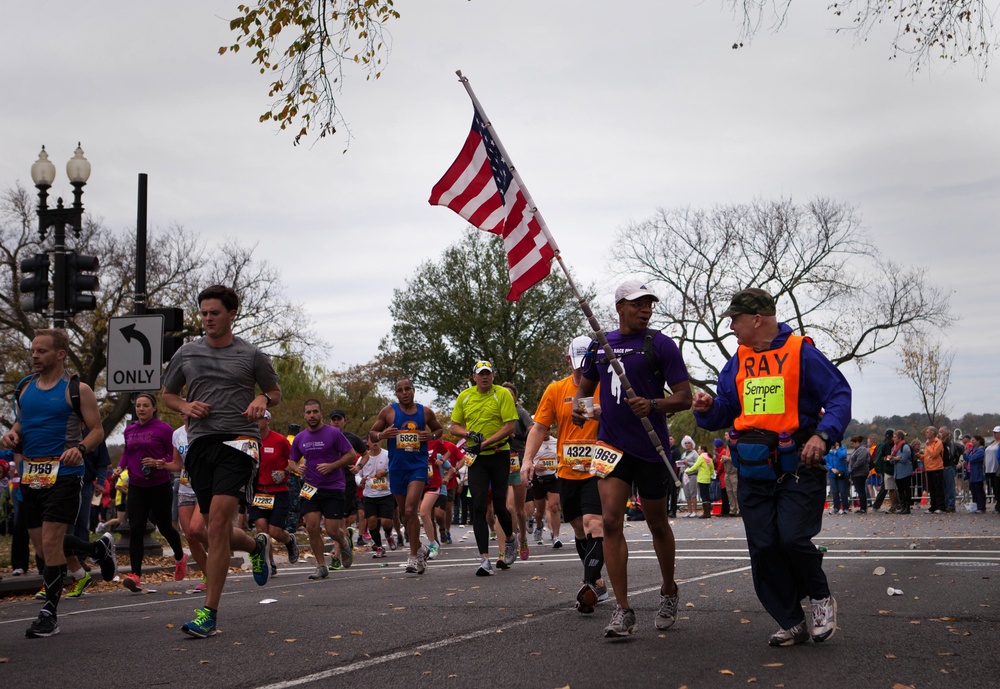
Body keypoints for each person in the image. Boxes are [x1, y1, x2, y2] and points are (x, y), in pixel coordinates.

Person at [693, 287, 851, 647]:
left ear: (757, 319)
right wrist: (705, 409)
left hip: (798, 464)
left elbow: (839, 395)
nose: (730, 326)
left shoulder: (802, 353)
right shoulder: (737, 361)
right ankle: (791, 620)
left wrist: (823, 435)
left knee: (793, 537)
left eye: (734, 319)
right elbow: (726, 410)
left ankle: (821, 597)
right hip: (753, 470)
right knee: (763, 547)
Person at [573, 281, 693, 637]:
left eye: (649, 304)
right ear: (619, 307)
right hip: (610, 445)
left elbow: (685, 397)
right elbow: (583, 392)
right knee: (610, 520)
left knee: (657, 522)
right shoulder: (600, 345)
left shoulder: (660, 344)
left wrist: (653, 404)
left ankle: (669, 589)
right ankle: (623, 610)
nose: (646, 309)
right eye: (638, 303)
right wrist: (581, 412)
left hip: (651, 447)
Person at [162, 284, 282, 638]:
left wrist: (262, 398)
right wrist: (184, 406)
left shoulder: (252, 355)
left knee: (214, 526)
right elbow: (167, 394)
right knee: (201, 529)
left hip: (241, 442)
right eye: (203, 313)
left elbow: (275, 391)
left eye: (214, 313)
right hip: (200, 444)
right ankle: (255, 543)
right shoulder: (187, 354)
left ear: (232, 314)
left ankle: (209, 614)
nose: (208, 319)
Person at [2, 329, 110, 638]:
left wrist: (80, 449)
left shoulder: (78, 390)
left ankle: (49, 613)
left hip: (64, 474)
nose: (34, 355)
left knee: (50, 542)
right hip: (31, 475)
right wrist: (11, 435)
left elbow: (97, 430)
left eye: (42, 351)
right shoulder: (25, 387)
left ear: (60, 354)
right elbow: (23, 422)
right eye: (33, 350)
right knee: (44, 546)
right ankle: (96, 549)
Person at [522, 335, 608, 614]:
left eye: (589, 363)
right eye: (578, 363)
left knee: (595, 523)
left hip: (599, 467)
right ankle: (596, 582)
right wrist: (528, 459)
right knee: (580, 531)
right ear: (568, 360)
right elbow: (538, 427)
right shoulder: (556, 389)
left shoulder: (605, 385)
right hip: (568, 470)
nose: (584, 369)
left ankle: (587, 587)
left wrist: (600, 413)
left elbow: (622, 415)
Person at [449, 362, 519, 576]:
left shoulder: (502, 395)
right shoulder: (465, 396)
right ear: (474, 377)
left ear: (493, 376)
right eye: (481, 374)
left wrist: (485, 443)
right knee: (478, 506)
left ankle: (510, 539)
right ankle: (484, 559)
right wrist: (469, 435)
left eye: (488, 374)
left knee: (499, 506)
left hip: (499, 455)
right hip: (476, 458)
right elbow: (453, 427)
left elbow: (509, 427)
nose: (485, 377)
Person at [113, 393, 188, 591]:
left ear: (154, 408)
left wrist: (159, 463)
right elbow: (128, 452)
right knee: (135, 529)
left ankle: (180, 557)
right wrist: (120, 467)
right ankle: (135, 575)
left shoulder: (164, 430)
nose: (141, 409)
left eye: (146, 405)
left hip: (159, 484)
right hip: (137, 486)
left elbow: (172, 456)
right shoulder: (130, 430)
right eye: (138, 405)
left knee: (164, 526)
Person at [369, 378, 444, 574]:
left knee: (411, 510)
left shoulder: (425, 412)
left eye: (407, 389)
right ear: (396, 393)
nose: (404, 393)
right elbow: (372, 433)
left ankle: (412, 557)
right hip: (397, 468)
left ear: (413, 390)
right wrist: (382, 435)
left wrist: (431, 436)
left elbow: (438, 429)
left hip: (417, 467)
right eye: (400, 390)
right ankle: (419, 548)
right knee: (404, 514)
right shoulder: (388, 412)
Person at [292, 399, 357, 579]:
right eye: (308, 412)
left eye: (315, 412)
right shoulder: (300, 438)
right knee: (312, 527)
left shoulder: (333, 434)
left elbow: (351, 455)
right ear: (304, 415)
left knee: (332, 530)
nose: (312, 415)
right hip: (310, 487)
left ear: (321, 414)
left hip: (333, 486)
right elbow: (291, 460)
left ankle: (344, 544)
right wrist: (297, 468)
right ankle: (321, 566)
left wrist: (332, 465)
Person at [250, 410, 299, 575]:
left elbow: (294, 461)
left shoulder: (279, 440)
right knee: (261, 530)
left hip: (278, 491)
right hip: (258, 492)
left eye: (260, 418)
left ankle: (289, 540)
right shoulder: (249, 440)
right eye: (254, 419)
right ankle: (269, 564)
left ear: (268, 420)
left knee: (275, 532)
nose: (256, 421)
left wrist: (285, 472)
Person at [171, 417, 208, 592]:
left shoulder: (207, 430)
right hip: (185, 489)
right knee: (190, 536)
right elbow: (177, 464)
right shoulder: (177, 434)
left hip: (204, 488)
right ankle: (209, 574)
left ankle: (220, 546)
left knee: (196, 529)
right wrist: (161, 464)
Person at [501, 382, 534, 557]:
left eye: (510, 394)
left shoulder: (520, 412)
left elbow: (533, 430)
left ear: (515, 397)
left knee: (519, 510)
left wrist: (516, 435)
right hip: (501, 461)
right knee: (508, 507)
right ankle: (511, 541)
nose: (507, 396)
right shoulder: (497, 411)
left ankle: (522, 539)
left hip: (518, 461)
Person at [328, 409, 367, 545]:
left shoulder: (352, 438)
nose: (336, 422)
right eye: (334, 419)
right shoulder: (324, 437)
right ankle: (345, 543)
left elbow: (365, 454)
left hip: (346, 482)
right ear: (330, 422)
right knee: (333, 521)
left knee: (340, 519)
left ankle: (339, 553)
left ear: (345, 421)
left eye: (339, 419)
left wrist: (358, 467)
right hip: (328, 481)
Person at [359, 438, 394, 557]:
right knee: (372, 522)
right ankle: (379, 546)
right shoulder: (363, 458)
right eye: (372, 441)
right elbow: (357, 474)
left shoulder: (388, 455)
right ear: (367, 443)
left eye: (377, 441)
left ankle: (389, 535)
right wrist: (360, 481)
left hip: (386, 493)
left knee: (386, 522)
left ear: (380, 442)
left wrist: (385, 472)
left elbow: (396, 467)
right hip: (370, 494)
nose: (374, 443)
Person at [920, 426, 945, 514]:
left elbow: (934, 454)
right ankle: (933, 505)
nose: (926, 433)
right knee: (932, 489)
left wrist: (928, 446)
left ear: (933, 433)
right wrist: (920, 456)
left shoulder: (938, 442)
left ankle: (940, 506)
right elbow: (927, 456)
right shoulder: (929, 443)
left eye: (928, 432)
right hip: (929, 468)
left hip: (937, 468)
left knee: (938, 488)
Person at [685, 446, 715, 519]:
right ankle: (708, 512)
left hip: (701, 478)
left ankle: (706, 513)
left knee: (703, 495)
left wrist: (687, 471)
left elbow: (695, 466)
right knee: (707, 495)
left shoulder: (701, 457)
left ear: (702, 450)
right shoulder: (709, 457)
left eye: (699, 449)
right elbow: (712, 468)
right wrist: (710, 474)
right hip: (707, 479)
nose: (698, 450)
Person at [888, 431, 913, 514]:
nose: (893, 439)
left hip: (905, 472)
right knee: (900, 491)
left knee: (906, 490)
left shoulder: (905, 447)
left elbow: (903, 459)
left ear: (900, 438)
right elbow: (890, 460)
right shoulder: (893, 448)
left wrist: (894, 458)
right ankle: (902, 507)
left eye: (895, 437)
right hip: (897, 473)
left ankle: (907, 507)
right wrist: (895, 458)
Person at [871, 430, 896, 512]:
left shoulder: (883, 444)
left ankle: (897, 504)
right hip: (886, 468)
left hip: (886, 467)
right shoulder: (884, 445)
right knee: (886, 487)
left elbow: (880, 457)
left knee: (887, 487)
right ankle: (877, 504)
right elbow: (881, 457)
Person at [938, 427, 959, 513]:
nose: (939, 434)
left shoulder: (949, 443)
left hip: (948, 466)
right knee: (944, 487)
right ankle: (946, 504)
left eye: (941, 432)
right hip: (942, 467)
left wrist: (955, 462)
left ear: (946, 433)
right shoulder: (940, 443)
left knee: (950, 487)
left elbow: (951, 454)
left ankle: (950, 505)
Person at [677, 436, 699, 518]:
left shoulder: (695, 453)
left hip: (692, 474)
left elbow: (697, 465)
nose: (687, 445)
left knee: (693, 493)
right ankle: (689, 511)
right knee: (687, 493)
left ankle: (695, 511)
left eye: (688, 443)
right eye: (685, 443)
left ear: (692, 444)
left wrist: (688, 463)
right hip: (684, 474)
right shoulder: (684, 454)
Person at [847, 435, 870, 513]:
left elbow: (860, 461)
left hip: (859, 473)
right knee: (860, 490)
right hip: (857, 473)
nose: (852, 445)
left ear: (857, 442)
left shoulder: (861, 449)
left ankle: (863, 507)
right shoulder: (857, 449)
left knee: (861, 490)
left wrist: (852, 469)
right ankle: (862, 507)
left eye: (853, 444)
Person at [826, 442, 849, 515]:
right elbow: (826, 462)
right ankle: (836, 507)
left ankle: (845, 507)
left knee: (842, 491)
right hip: (832, 473)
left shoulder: (843, 449)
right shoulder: (828, 452)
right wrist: (831, 469)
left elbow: (842, 456)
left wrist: (837, 448)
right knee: (834, 491)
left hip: (841, 472)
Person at [965, 435, 986, 512]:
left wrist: (967, 454)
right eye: (971, 440)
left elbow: (972, 459)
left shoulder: (980, 451)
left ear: (978, 441)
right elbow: (966, 458)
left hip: (977, 473)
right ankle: (975, 506)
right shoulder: (971, 450)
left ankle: (981, 507)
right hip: (971, 472)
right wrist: (966, 452)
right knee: (973, 490)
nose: (972, 442)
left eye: (973, 440)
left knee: (979, 490)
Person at [985, 427, 1000, 514]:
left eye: (996, 433)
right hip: (990, 469)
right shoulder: (991, 443)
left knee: (998, 488)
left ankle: (998, 505)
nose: (995, 434)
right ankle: (998, 504)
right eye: (994, 433)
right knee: (995, 488)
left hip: (997, 468)